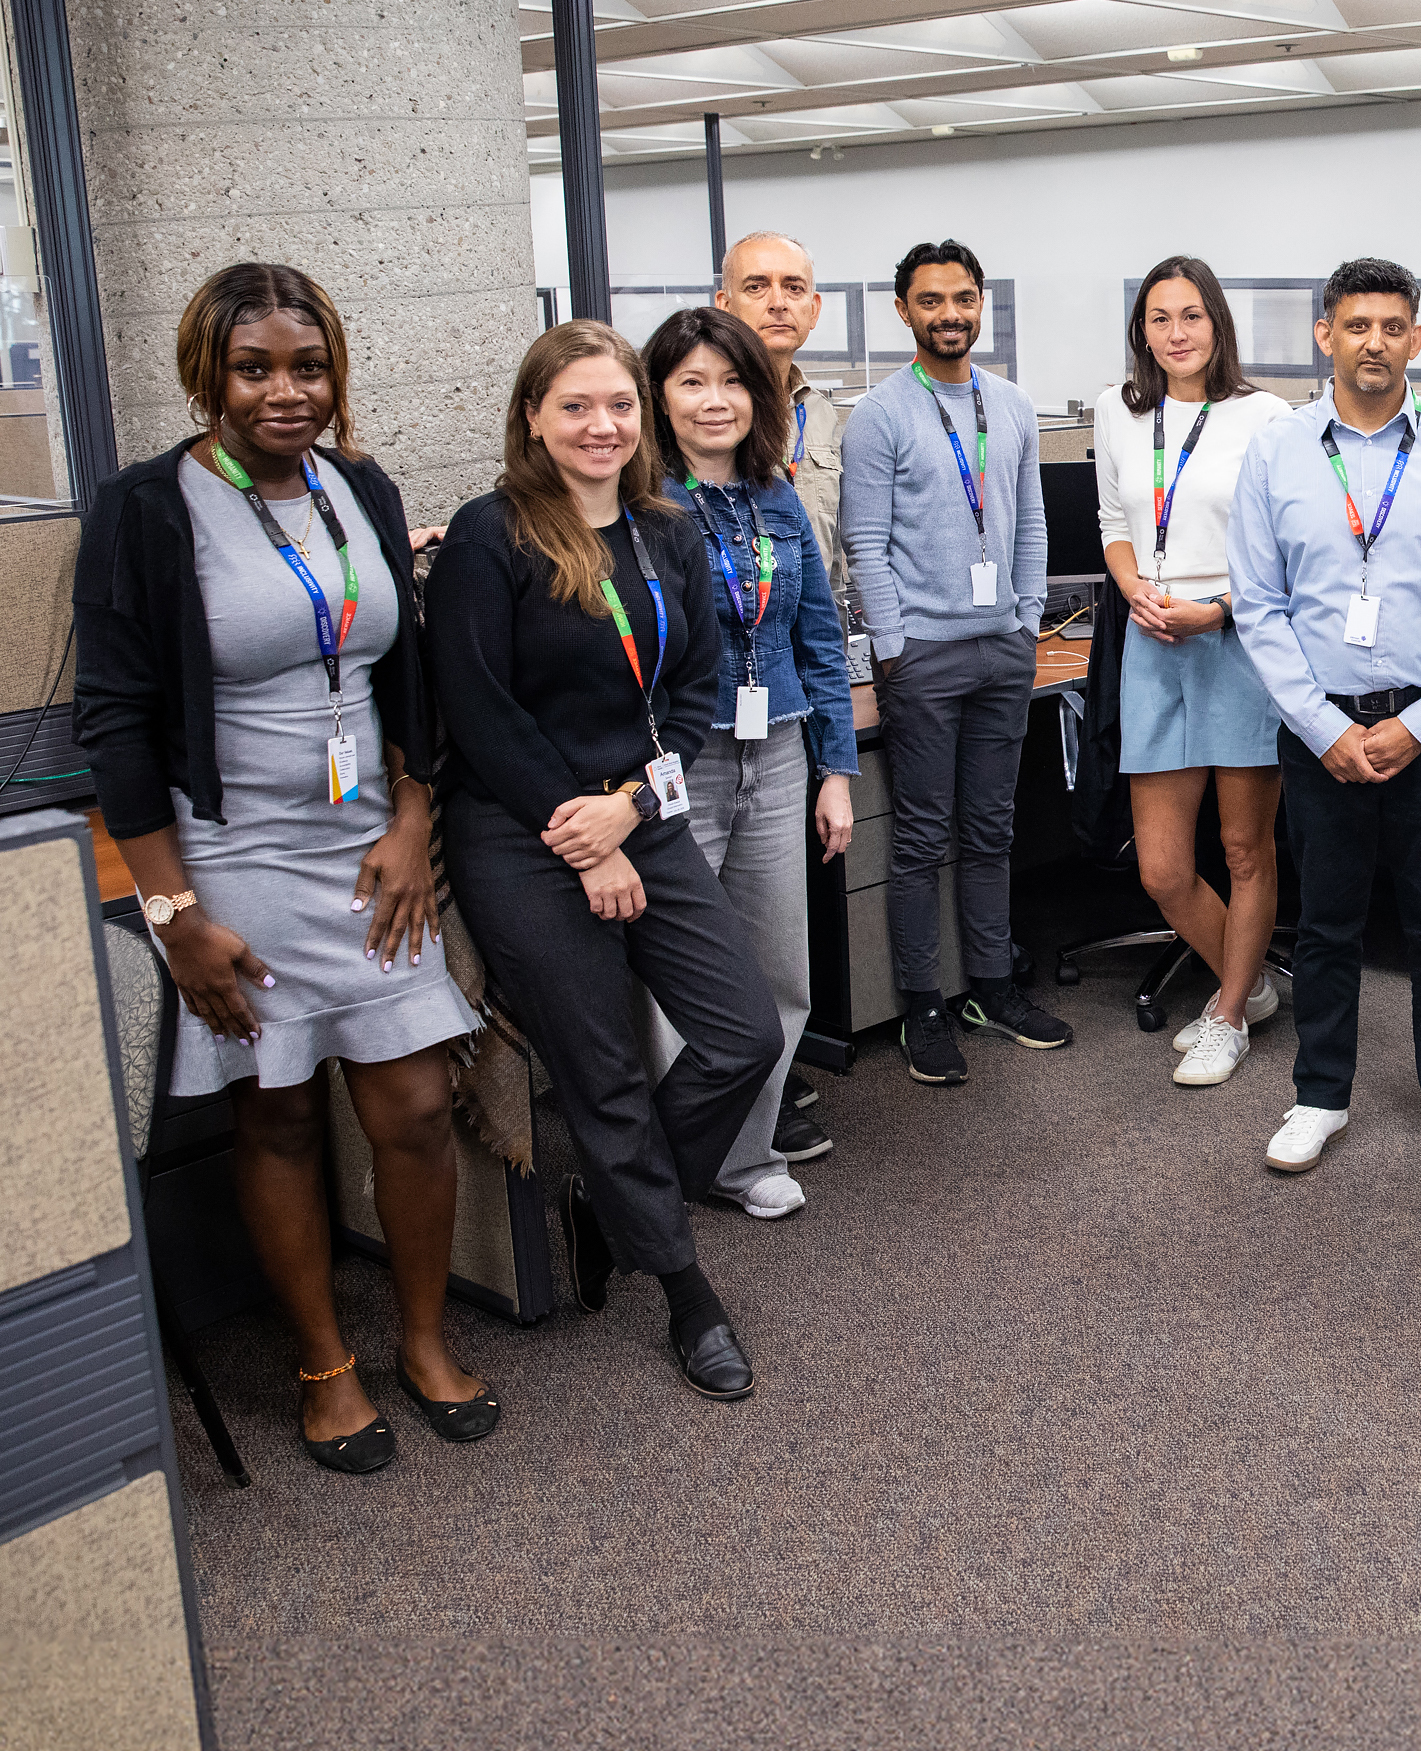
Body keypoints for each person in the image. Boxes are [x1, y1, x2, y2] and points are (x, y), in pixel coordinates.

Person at [73, 263, 493, 1472]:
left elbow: (398, 669)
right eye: (253, 367)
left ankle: (419, 1336)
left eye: (306, 365)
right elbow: (114, 720)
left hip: (367, 846)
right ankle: (322, 1363)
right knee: (280, 1114)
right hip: (231, 854)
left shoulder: (358, 482)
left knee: (413, 1103)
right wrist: (172, 913)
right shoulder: (145, 508)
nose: (284, 390)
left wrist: (413, 811)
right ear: (207, 372)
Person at [426, 322, 782, 1403]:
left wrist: (629, 809)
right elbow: (479, 715)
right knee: (605, 1074)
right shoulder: (491, 538)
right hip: (518, 833)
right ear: (533, 415)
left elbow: (693, 695)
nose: (601, 425)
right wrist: (580, 837)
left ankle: (616, 1202)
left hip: (642, 809)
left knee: (742, 1033)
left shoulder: (665, 533)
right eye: (575, 405)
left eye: (618, 405)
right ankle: (684, 1290)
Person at [1228, 257, 1421, 1178]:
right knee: (1327, 923)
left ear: (1416, 339)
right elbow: (1258, 605)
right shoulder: (1278, 450)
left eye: (1393, 327)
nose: (1375, 343)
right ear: (1326, 335)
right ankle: (1319, 1094)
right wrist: (1325, 729)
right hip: (1322, 734)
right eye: (1356, 326)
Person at [641, 305, 859, 1209]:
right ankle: (663, 1165)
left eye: (732, 381)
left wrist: (836, 768)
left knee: (779, 969)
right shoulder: (639, 505)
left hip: (775, 753)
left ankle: (742, 1160)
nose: (715, 400)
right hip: (676, 764)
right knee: (673, 977)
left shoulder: (776, 495)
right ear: (659, 395)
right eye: (691, 381)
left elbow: (817, 633)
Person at [839, 238, 1072, 1083]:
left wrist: (1022, 618)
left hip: (1003, 651)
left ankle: (991, 985)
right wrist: (896, 646)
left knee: (991, 830)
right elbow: (865, 543)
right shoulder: (879, 415)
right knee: (920, 838)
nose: (949, 314)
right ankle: (922, 1006)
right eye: (931, 301)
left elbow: (1029, 520)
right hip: (926, 658)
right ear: (904, 311)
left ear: (982, 306)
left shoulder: (1010, 404)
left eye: (963, 299)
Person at [1092, 258, 1294, 1087]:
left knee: (1245, 848)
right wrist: (1136, 588)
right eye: (1160, 317)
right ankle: (1252, 988)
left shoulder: (1268, 416)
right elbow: (1113, 520)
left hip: (1236, 640)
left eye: (1192, 316)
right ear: (1142, 329)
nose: (1177, 333)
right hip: (1153, 639)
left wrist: (1220, 608)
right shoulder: (1116, 411)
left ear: (1218, 325)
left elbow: (1288, 546)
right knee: (1163, 868)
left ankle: (1227, 1010)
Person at [717, 229, 850, 611]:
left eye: (793, 288)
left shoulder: (822, 415)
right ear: (724, 306)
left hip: (816, 642)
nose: (778, 303)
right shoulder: (705, 416)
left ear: (814, 308)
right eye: (757, 287)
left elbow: (834, 554)